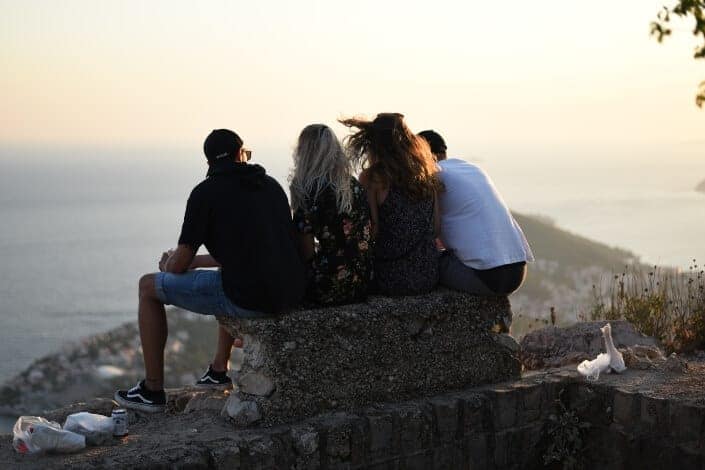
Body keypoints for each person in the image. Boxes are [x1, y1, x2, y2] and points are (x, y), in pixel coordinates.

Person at [115, 129, 306, 412]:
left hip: (252, 299)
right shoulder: (270, 186)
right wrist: (196, 262)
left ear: (209, 163)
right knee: (228, 276)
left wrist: (169, 262)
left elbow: (178, 265)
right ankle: (218, 370)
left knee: (147, 287)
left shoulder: (205, 193)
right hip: (291, 292)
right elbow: (248, 253)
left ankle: (152, 389)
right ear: (241, 154)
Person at [418, 130, 533, 296]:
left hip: (488, 278)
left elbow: (430, 231)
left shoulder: (433, 176)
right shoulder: (472, 169)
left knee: (424, 263)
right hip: (518, 271)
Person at [340, 113, 442, 296]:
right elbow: (435, 228)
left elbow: (372, 231)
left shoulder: (372, 178)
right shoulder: (426, 172)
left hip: (390, 277)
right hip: (428, 274)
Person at [290, 124, 373, 305]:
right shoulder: (352, 185)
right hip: (362, 280)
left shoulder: (308, 191)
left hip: (327, 286)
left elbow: (306, 251)